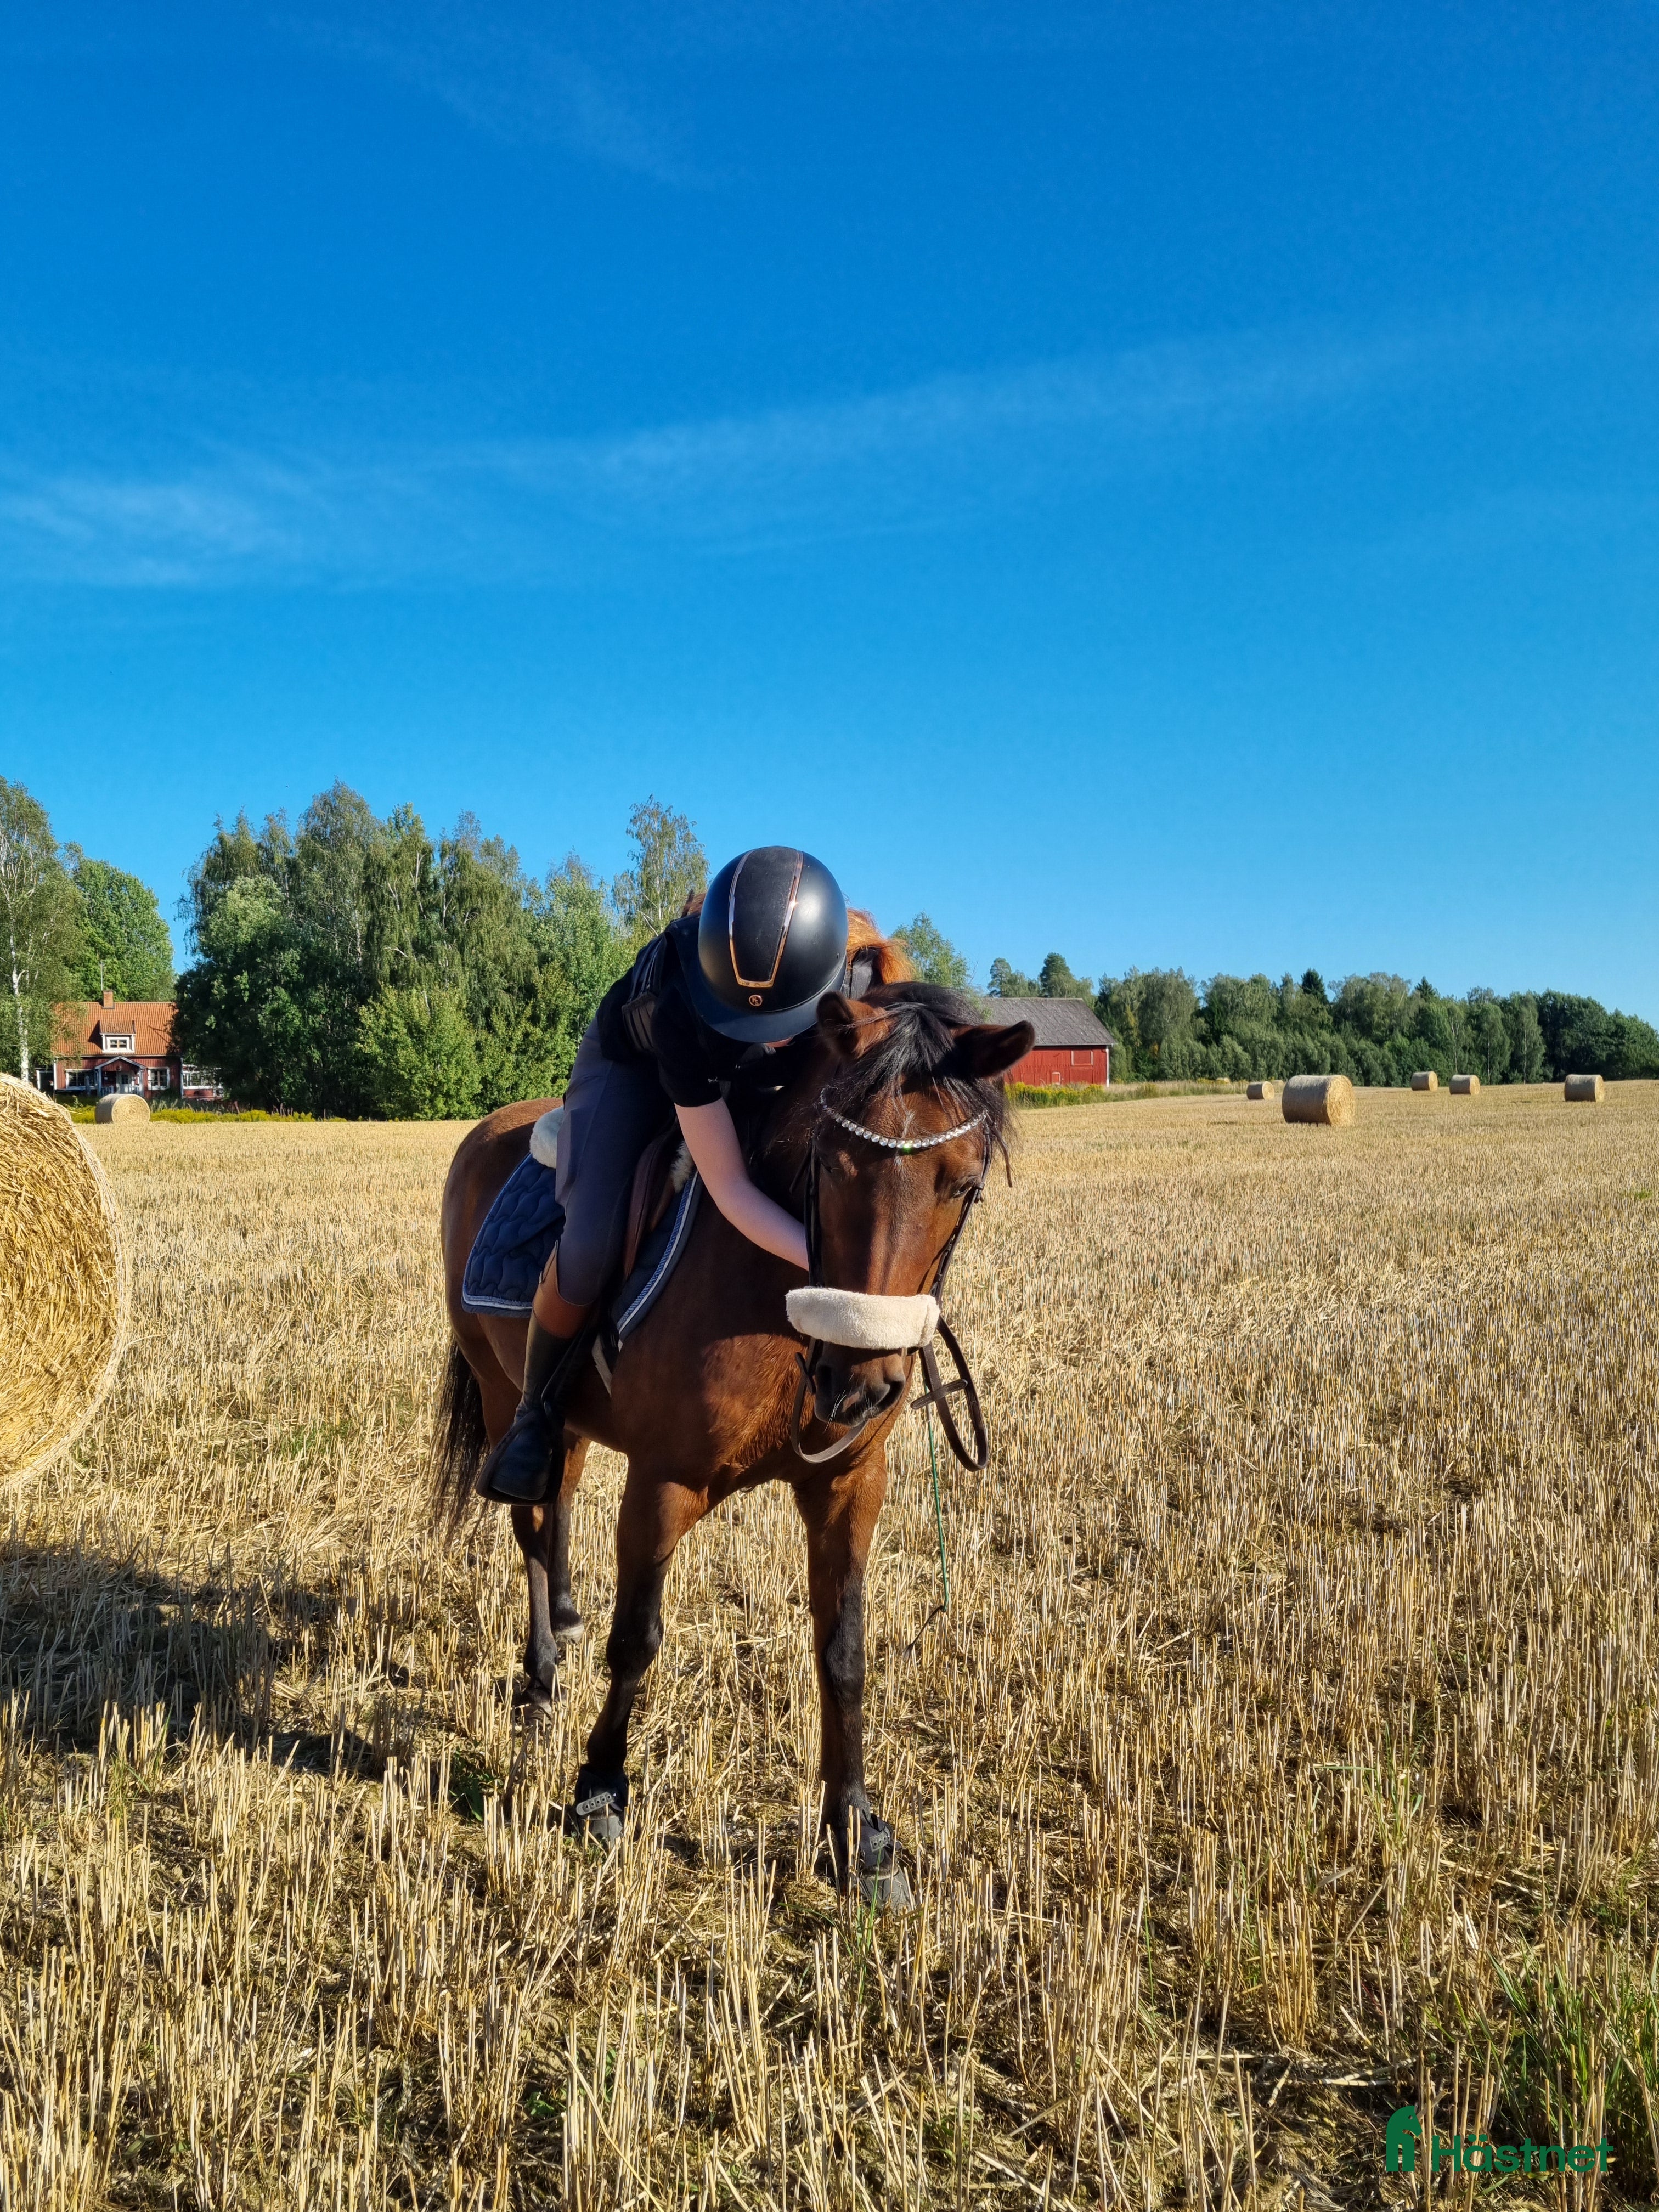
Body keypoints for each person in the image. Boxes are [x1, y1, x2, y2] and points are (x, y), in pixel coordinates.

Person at [478, 845, 849, 1504]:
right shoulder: (681, 1006)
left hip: (749, 1070)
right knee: (590, 1242)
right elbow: (729, 1187)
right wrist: (831, 1267)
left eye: (783, 1022)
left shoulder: (855, 983)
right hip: (639, 1068)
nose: (770, 1033)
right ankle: (536, 1412)